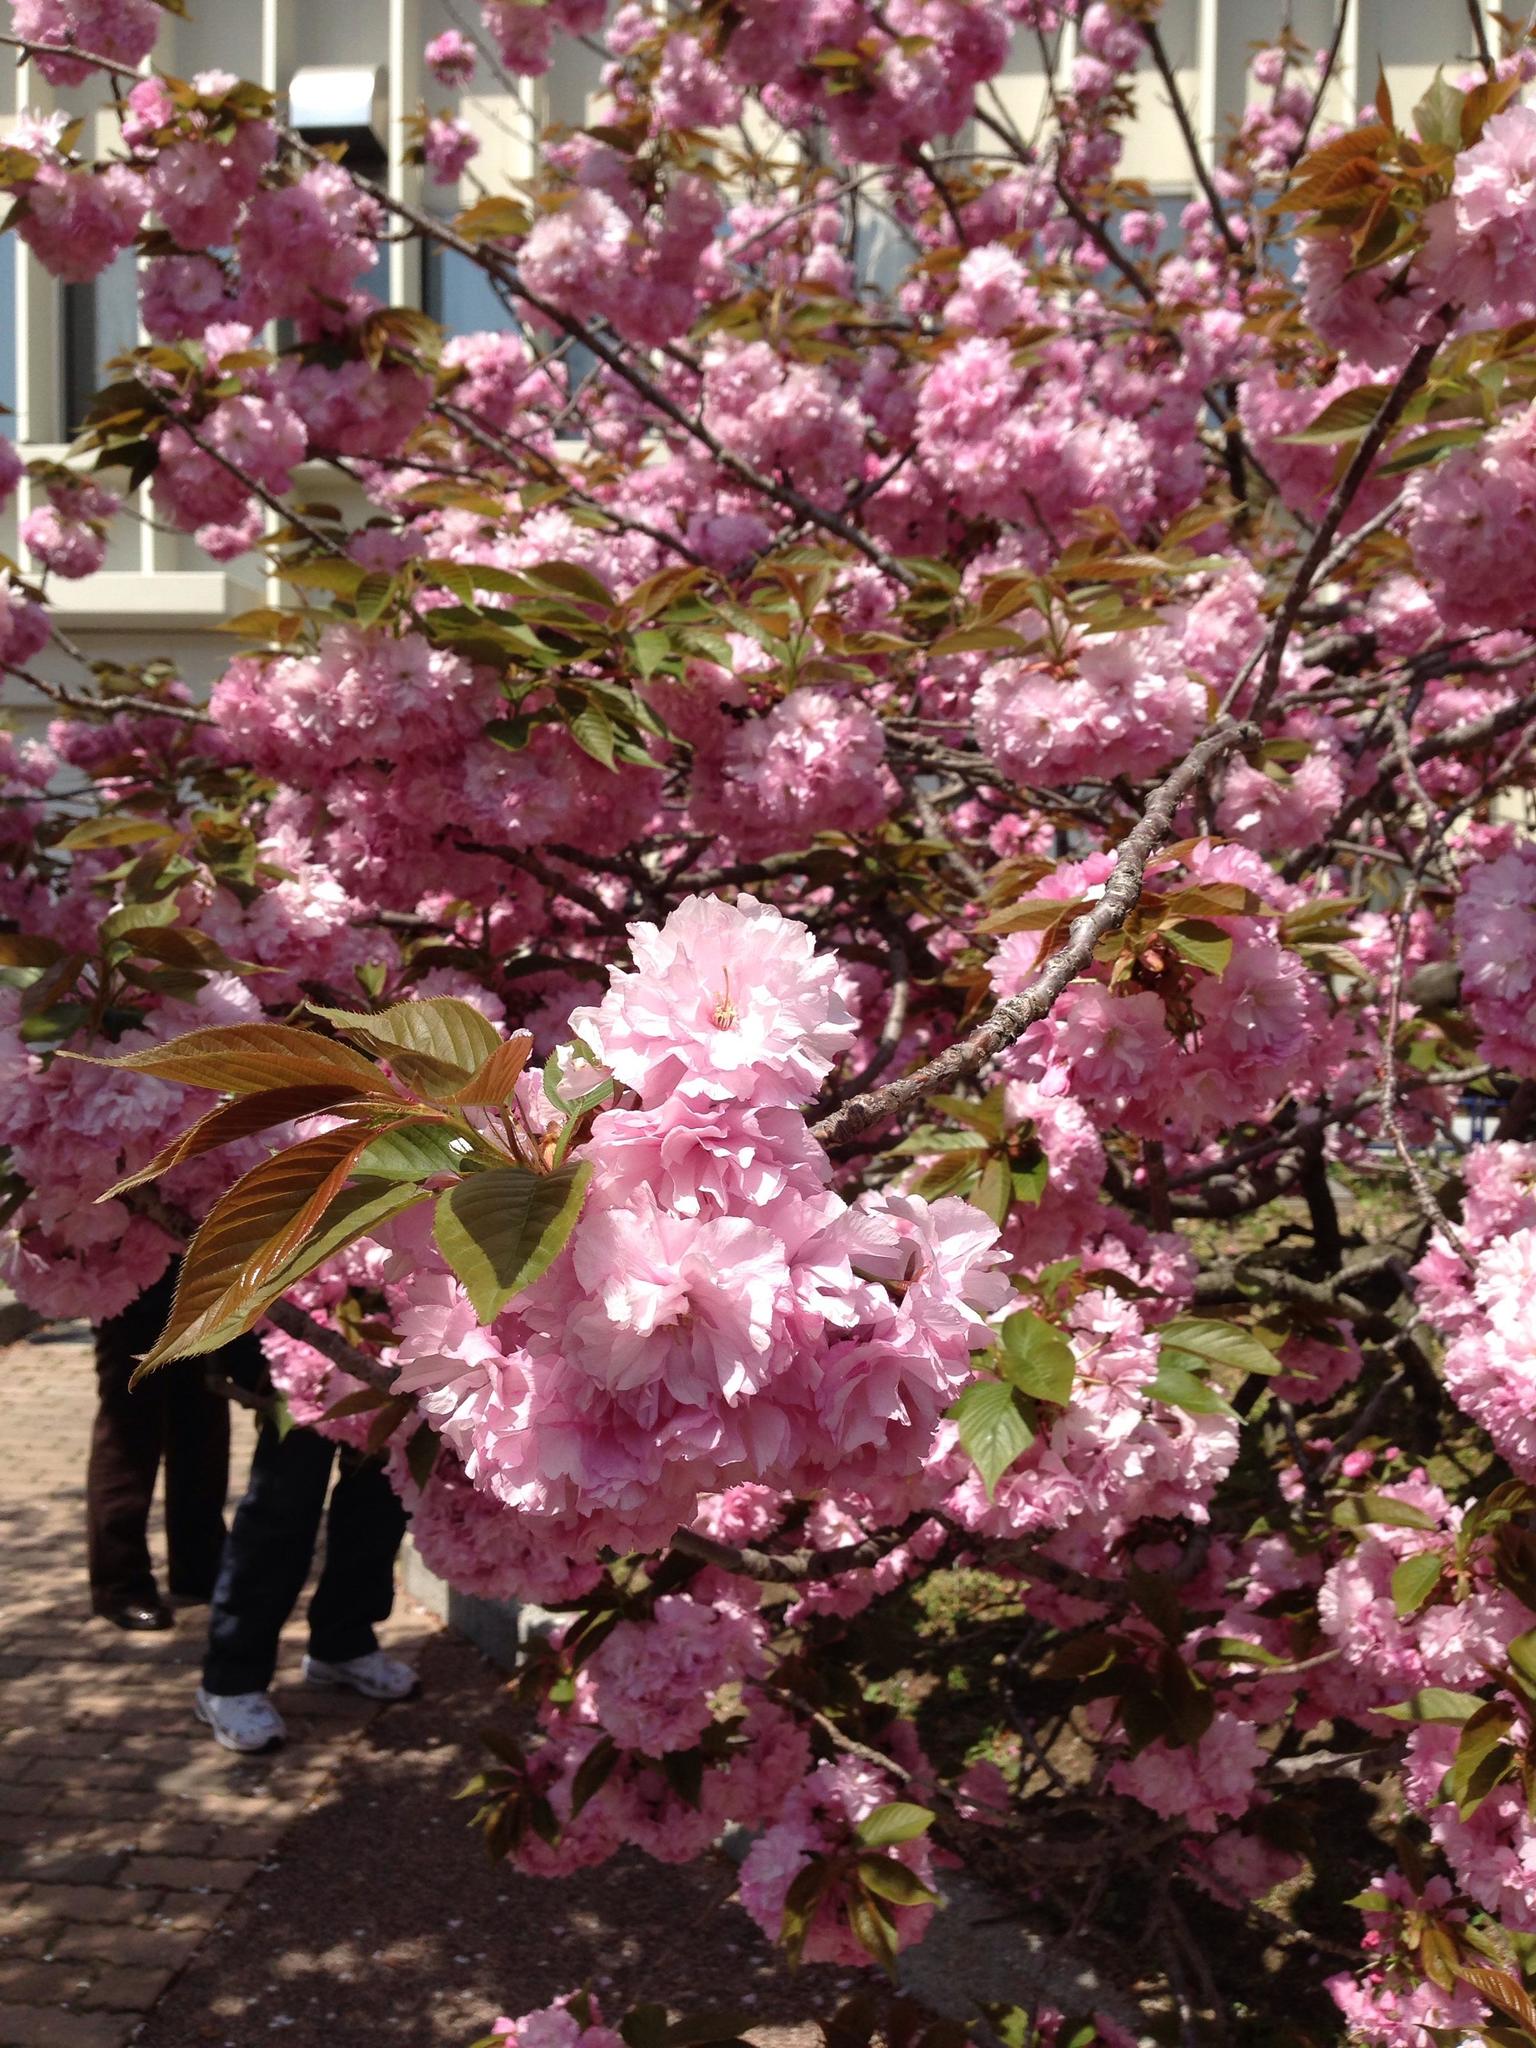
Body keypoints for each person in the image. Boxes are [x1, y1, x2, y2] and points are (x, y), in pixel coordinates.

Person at [193, 1397, 418, 1754]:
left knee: (380, 1496)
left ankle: (343, 1643)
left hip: (391, 1362)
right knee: (284, 1500)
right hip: (314, 1355)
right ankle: (230, 1678)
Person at [87, 1269, 234, 1631]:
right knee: (129, 1434)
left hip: (201, 1269)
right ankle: (120, 1583)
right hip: (128, 1273)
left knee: (204, 1425)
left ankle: (200, 1566)